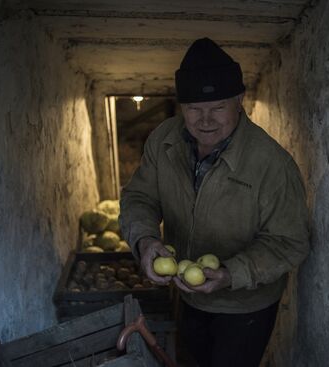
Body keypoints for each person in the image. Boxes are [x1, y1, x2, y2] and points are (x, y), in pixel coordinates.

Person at [119, 37, 309, 367]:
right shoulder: (164, 139)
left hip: (245, 308)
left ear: (239, 100)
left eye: (218, 107)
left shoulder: (272, 164)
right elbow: (139, 196)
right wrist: (145, 240)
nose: (205, 120)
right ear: (181, 107)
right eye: (194, 109)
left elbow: (289, 242)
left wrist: (230, 274)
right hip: (187, 294)